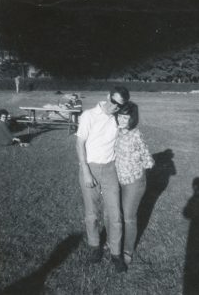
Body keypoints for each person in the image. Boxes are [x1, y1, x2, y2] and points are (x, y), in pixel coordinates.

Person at [76, 86, 130, 273]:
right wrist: (85, 171)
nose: (115, 107)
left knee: (115, 215)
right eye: (113, 102)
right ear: (107, 96)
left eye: (120, 105)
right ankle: (94, 246)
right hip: (90, 167)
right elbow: (80, 143)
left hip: (110, 169)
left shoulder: (118, 118)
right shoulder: (88, 115)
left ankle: (116, 253)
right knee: (92, 214)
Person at [115, 101, 154, 266]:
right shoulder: (116, 131)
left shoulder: (136, 134)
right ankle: (113, 243)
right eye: (120, 116)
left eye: (126, 117)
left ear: (132, 118)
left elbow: (149, 161)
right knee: (116, 214)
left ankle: (127, 250)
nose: (122, 119)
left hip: (134, 183)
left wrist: (134, 166)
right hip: (118, 180)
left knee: (129, 218)